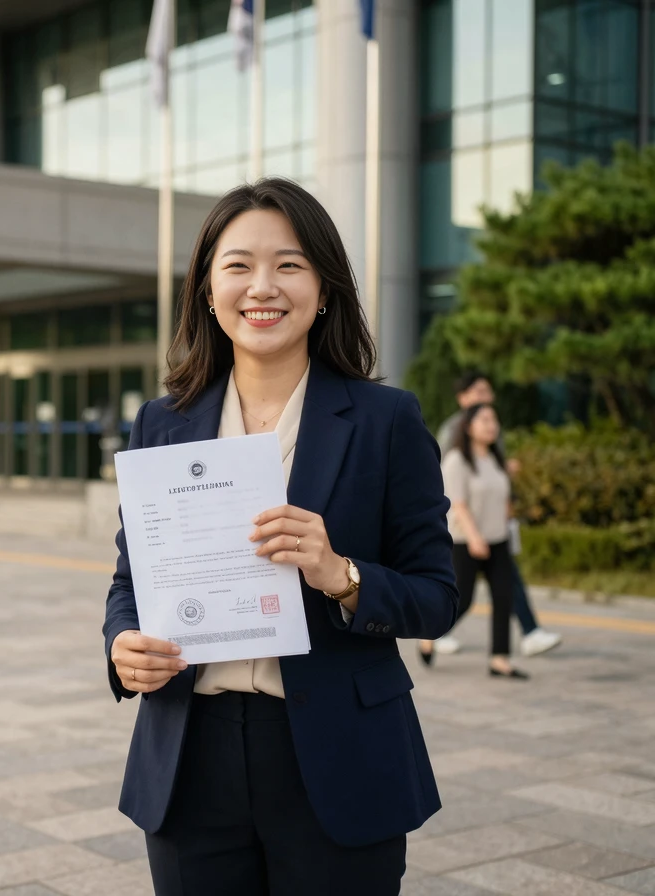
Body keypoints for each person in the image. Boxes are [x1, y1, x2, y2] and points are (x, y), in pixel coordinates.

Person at [103, 178, 459, 896]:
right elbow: (129, 583)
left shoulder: (386, 420)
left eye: (289, 264)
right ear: (208, 289)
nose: (262, 286)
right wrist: (122, 646)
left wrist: (343, 575)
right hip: (190, 755)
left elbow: (438, 595)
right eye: (237, 265)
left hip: (339, 756)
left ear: (323, 288)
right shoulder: (162, 423)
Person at [435, 372, 561, 658]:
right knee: (463, 596)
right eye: (479, 392)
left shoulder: (492, 441)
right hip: (467, 534)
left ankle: (512, 649)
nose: (486, 398)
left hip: (495, 531)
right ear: (463, 398)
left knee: (505, 590)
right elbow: (450, 487)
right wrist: (471, 532)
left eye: (488, 392)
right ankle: (434, 633)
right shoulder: (453, 435)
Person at [419, 404, 527, 679]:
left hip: (498, 539)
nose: (492, 425)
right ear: (469, 427)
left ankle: (500, 660)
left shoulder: (495, 458)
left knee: (504, 598)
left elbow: (503, 497)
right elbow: (459, 504)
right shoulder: (457, 460)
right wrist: (475, 537)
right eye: (485, 420)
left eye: (494, 419)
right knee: (462, 600)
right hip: (467, 542)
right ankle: (429, 635)